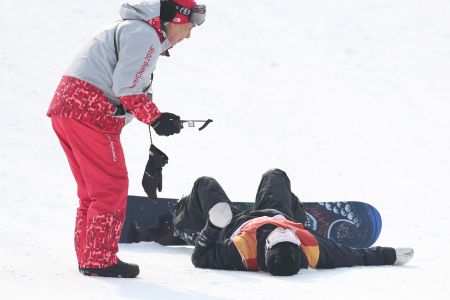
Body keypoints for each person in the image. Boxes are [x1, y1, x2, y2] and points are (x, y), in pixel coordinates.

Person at [47, 0, 206, 278]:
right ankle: (99, 260)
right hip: (90, 114)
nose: (189, 36)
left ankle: (90, 257)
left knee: (92, 193)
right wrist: (155, 118)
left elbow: (128, 85)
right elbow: (127, 87)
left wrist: (156, 116)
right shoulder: (143, 33)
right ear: (174, 19)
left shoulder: (134, 31)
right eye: (189, 27)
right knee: (110, 187)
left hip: (71, 110)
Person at [174, 169, 414, 276]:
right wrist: (390, 255)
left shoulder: (240, 252)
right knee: (274, 175)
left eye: (278, 235)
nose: (280, 232)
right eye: (289, 234)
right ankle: (296, 214)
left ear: (267, 248)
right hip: (277, 211)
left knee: (205, 183)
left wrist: (214, 226)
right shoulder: (313, 249)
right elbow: (357, 255)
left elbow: (201, 258)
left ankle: (184, 220)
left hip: (234, 223)